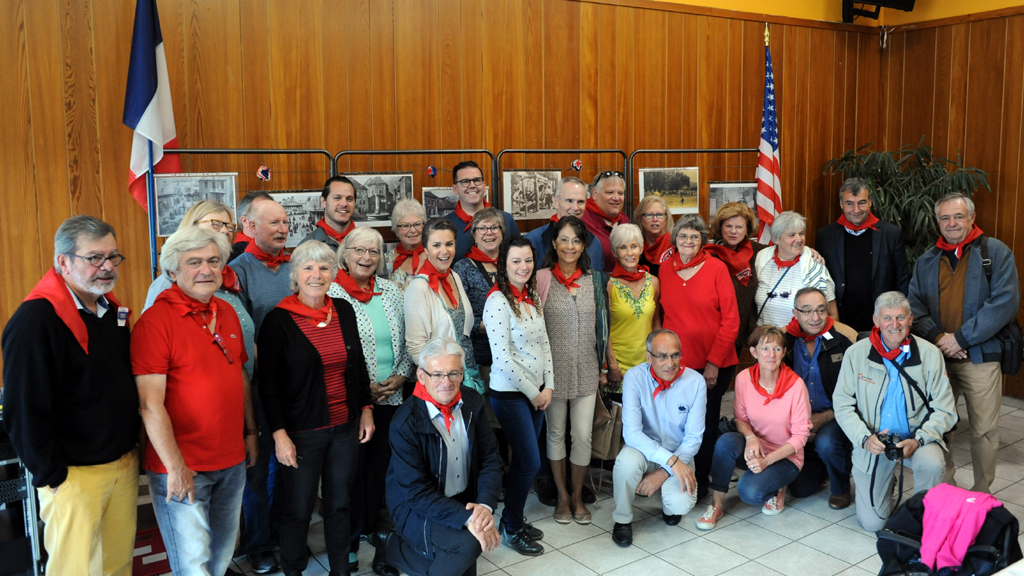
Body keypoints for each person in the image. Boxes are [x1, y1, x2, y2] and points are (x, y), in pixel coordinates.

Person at [2, 216, 140, 576]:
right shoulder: (35, 321)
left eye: (113, 257)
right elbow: (22, 411)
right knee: (76, 570)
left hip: (122, 465)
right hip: (73, 477)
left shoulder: (112, 312)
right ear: (63, 262)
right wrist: (52, 475)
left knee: (117, 564)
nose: (107, 267)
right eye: (94, 257)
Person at [132, 227, 259, 575]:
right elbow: (149, 405)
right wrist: (176, 468)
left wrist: (250, 433)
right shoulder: (155, 323)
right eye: (194, 262)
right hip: (183, 466)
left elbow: (240, 377)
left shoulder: (228, 311)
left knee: (221, 555)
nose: (206, 269)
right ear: (172, 272)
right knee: (193, 565)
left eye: (213, 261)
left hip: (231, 461)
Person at [255, 240, 374, 576]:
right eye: (308, 267)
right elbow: (268, 387)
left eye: (323, 267)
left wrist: (365, 408)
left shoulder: (344, 310)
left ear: (333, 273)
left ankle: (341, 571)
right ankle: (292, 571)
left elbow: (358, 365)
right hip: (301, 434)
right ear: (295, 275)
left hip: (345, 428)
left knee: (339, 505)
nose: (316, 275)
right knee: (298, 510)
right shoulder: (277, 322)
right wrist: (279, 435)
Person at [908, 192, 1020, 493]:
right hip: (939, 360)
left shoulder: (995, 252)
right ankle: (947, 488)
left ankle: (982, 493)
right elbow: (915, 306)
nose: (952, 223)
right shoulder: (927, 260)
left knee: (983, 430)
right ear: (937, 222)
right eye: (945, 218)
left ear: (972, 218)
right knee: (939, 426)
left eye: (958, 216)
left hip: (980, 359)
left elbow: (1006, 303)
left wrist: (960, 338)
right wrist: (939, 339)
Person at [369, 337, 503, 576]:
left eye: (453, 373)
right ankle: (392, 544)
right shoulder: (405, 421)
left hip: (462, 499)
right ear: (421, 376)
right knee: (467, 546)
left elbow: (490, 458)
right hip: (415, 507)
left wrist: (483, 508)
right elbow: (415, 492)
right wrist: (467, 519)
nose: (446, 382)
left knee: (461, 560)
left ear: (463, 373)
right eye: (437, 374)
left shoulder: (472, 401)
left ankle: (389, 546)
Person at [834, 291, 958, 531]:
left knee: (931, 464)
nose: (894, 324)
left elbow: (945, 409)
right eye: (887, 318)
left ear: (910, 319)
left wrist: (920, 439)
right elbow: (842, 403)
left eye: (900, 317)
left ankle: (925, 516)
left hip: (916, 437)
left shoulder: (930, 354)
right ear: (876, 320)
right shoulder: (856, 354)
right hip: (874, 440)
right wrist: (864, 438)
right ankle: (884, 481)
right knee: (873, 523)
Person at [327, 227, 413, 571]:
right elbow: (335, 351)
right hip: (351, 401)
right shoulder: (331, 293)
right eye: (359, 250)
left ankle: (383, 542)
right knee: (349, 475)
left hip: (392, 400)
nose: (366, 258)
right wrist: (365, 388)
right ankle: (347, 541)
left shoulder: (390, 290)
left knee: (384, 474)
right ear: (345, 254)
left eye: (374, 252)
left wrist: (402, 374)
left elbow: (406, 339)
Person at [230, 198, 294, 573]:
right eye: (274, 223)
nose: (283, 228)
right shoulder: (237, 271)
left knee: (289, 466)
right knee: (259, 469)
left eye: (285, 222)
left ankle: (285, 532)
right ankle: (259, 544)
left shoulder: (296, 264)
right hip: (258, 385)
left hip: (297, 386)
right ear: (249, 226)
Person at [697, 326, 811, 530]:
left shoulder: (796, 386)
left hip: (785, 456)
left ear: (784, 353)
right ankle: (716, 505)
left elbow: (800, 437)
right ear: (753, 352)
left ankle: (778, 488)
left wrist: (766, 461)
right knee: (725, 442)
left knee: (750, 493)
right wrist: (750, 437)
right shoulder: (743, 379)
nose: (771, 355)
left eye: (777, 349)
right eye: (765, 348)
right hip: (756, 447)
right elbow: (740, 418)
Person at [536, 216, 611, 527]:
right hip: (552, 373)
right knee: (555, 434)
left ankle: (578, 495)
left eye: (576, 241)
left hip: (587, 370)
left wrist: (606, 366)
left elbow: (603, 327)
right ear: (554, 243)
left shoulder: (594, 279)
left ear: (584, 246)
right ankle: (562, 496)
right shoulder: (540, 278)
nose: (570, 246)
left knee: (581, 435)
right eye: (563, 240)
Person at [658, 215, 739, 499]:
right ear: (674, 239)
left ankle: (702, 483)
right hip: (674, 365)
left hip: (712, 364)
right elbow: (662, 316)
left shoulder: (717, 268)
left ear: (702, 240)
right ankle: (674, 479)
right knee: (675, 425)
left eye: (695, 236)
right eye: (683, 236)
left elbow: (731, 320)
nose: (688, 241)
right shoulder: (664, 269)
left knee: (702, 426)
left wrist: (713, 363)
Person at [483, 235, 553, 555]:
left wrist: (548, 385)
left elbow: (544, 344)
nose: (523, 267)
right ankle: (511, 526)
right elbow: (503, 360)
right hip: (511, 394)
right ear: (504, 264)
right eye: (516, 261)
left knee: (527, 462)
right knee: (529, 461)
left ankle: (513, 518)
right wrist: (534, 393)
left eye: (528, 260)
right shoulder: (497, 301)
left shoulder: (531, 296)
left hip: (537, 392)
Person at [611, 330, 706, 548]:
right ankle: (622, 519)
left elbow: (693, 438)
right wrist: (670, 463)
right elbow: (632, 433)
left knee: (680, 505)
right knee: (625, 464)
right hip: (643, 447)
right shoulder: (635, 377)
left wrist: (664, 472)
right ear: (648, 357)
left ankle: (667, 503)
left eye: (675, 355)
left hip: (679, 451)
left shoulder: (696, 382)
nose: (670, 363)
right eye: (662, 356)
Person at [783, 288, 856, 509]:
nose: (815, 318)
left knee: (826, 442)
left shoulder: (845, 342)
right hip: (795, 420)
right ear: (795, 313)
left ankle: (840, 487)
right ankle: (826, 462)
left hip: (835, 415)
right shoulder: (783, 343)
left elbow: (858, 393)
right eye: (807, 311)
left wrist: (825, 417)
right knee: (801, 490)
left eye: (820, 310)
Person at [816, 177, 911, 332]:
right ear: (841, 204)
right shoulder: (826, 236)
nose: (856, 210)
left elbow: (902, 280)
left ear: (870, 202)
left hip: (881, 322)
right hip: (839, 321)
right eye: (849, 203)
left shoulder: (891, 234)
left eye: (861, 202)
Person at [405, 218, 484, 392]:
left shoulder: (454, 276)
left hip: (468, 376)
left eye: (449, 244)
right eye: (436, 245)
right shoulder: (418, 287)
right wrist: (441, 382)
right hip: (441, 385)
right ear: (425, 249)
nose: (444, 251)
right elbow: (416, 347)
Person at [605, 224, 661, 399]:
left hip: (647, 365)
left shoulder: (653, 282)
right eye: (623, 247)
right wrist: (612, 365)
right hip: (619, 368)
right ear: (615, 251)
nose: (629, 253)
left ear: (641, 248)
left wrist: (658, 358)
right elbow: (603, 330)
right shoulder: (608, 285)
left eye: (634, 246)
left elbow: (656, 322)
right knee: (619, 423)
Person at [754, 210, 838, 328]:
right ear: (776, 239)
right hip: (766, 341)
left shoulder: (814, 265)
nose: (799, 239)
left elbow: (832, 314)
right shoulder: (762, 259)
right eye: (792, 235)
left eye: (801, 233)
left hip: (801, 341)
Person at [705, 202, 768, 354]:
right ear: (720, 227)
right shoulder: (708, 254)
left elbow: (786, 250)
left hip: (746, 327)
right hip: (717, 330)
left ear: (747, 229)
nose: (733, 231)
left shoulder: (759, 252)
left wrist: (808, 251)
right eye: (728, 226)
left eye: (739, 227)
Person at [452, 207, 506, 379]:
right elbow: (459, 316)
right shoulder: (463, 268)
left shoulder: (513, 264)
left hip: (513, 354)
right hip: (479, 358)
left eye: (494, 227)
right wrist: (491, 325)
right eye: (482, 228)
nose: (488, 233)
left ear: (502, 233)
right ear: (474, 235)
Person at [442, 160, 518, 261]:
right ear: (455, 189)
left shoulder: (506, 220)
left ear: (484, 185)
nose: (472, 185)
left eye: (477, 180)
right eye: (465, 182)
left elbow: (519, 256)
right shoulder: (444, 225)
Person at [524, 176, 604, 270]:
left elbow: (598, 282)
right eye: (569, 201)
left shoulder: (594, 242)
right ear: (556, 202)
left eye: (580, 202)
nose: (575, 207)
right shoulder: (533, 241)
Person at [580, 170, 630, 272]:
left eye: (620, 193)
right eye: (610, 192)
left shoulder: (625, 220)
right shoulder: (581, 218)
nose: (616, 198)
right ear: (594, 194)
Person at [300, 176, 358, 249]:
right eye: (337, 198)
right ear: (323, 202)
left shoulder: (367, 242)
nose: (344, 203)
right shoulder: (306, 247)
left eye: (349, 199)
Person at [387, 198, 427, 291]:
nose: (413, 230)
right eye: (405, 225)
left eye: (417, 224)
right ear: (396, 230)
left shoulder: (434, 257)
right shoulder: (386, 261)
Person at [633, 195, 675, 278]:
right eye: (649, 215)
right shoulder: (633, 246)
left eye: (660, 214)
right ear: (640, 218)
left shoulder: (677, 245)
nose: (655, 219)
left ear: (666, 218)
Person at [231, 191, 273, 262]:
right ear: (245, 221)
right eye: (263, 213)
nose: (272, 218)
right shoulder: (232, 255)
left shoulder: (274, 246)